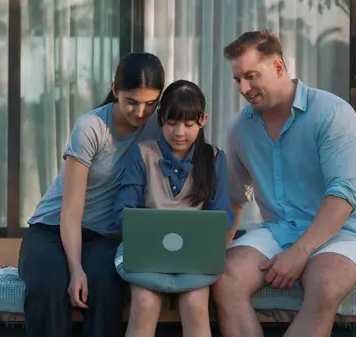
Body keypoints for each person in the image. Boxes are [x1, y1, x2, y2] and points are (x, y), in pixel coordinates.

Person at [213, 30, 356, 337]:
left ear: (279, 67)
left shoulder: (332, 113)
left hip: (337, 235)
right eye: (237, 80)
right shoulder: (239, 128)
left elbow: (344, 195)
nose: (243, 88)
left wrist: (300, 253)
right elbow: (234, 197)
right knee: (225, 278)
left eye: (251, 76)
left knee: (325, 286)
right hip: (276, 231)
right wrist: (216, 249)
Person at [17, 52, 165, 337]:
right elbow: (70, 211)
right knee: (48, 287)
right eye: (131, 102)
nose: (140, 113)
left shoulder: (158, 126)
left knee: (106, 285)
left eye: (150, 103)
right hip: (52, 230)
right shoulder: (91, 128)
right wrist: (75, 269)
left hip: (105, 238)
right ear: (114, 90)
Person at [113, 79, 234, 337]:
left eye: (189, 124)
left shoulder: (213, 158)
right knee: (144, 303)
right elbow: (124, 209)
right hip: (147, 254)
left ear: (203, 120)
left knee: (195, 304)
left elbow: (222, 213)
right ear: (160, 119)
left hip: (194, 257)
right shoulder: (142, 154)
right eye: (171, 122)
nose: (180, 132)